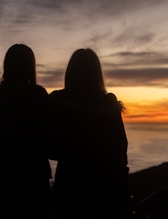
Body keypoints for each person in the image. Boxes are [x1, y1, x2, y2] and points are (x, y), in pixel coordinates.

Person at [49, 48, 130, 219]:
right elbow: (120, 148)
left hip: (69, 185)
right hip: (104, 186)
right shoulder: (108, 104)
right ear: (97, 73)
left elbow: (48, 147)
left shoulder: (57, 101)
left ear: (70, 72)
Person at [0, 44, 52, 219]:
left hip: (3, 184)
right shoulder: (38, 96)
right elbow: (51, 140)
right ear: (31, 67)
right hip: (35, 183)